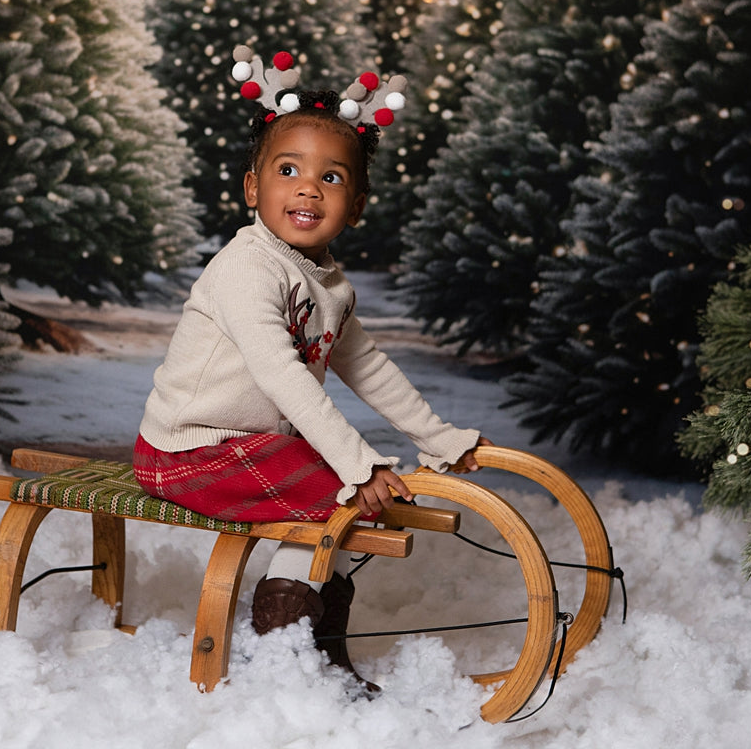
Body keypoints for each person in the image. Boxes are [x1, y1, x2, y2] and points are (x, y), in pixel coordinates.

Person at [134, 51, 489, 691]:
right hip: (189, 449)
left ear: (356, 205)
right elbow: (281, 374)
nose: (307, 187)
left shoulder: (329, 284)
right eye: (289, 170)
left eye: (331, 179)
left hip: (249, 448)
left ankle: (312, 639)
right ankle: (285, 649)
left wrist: (433, 435)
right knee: (348, 495)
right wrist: (357, 462)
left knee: (354, 502)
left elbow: (368, 367)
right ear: (252, 188)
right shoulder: (246, 268)